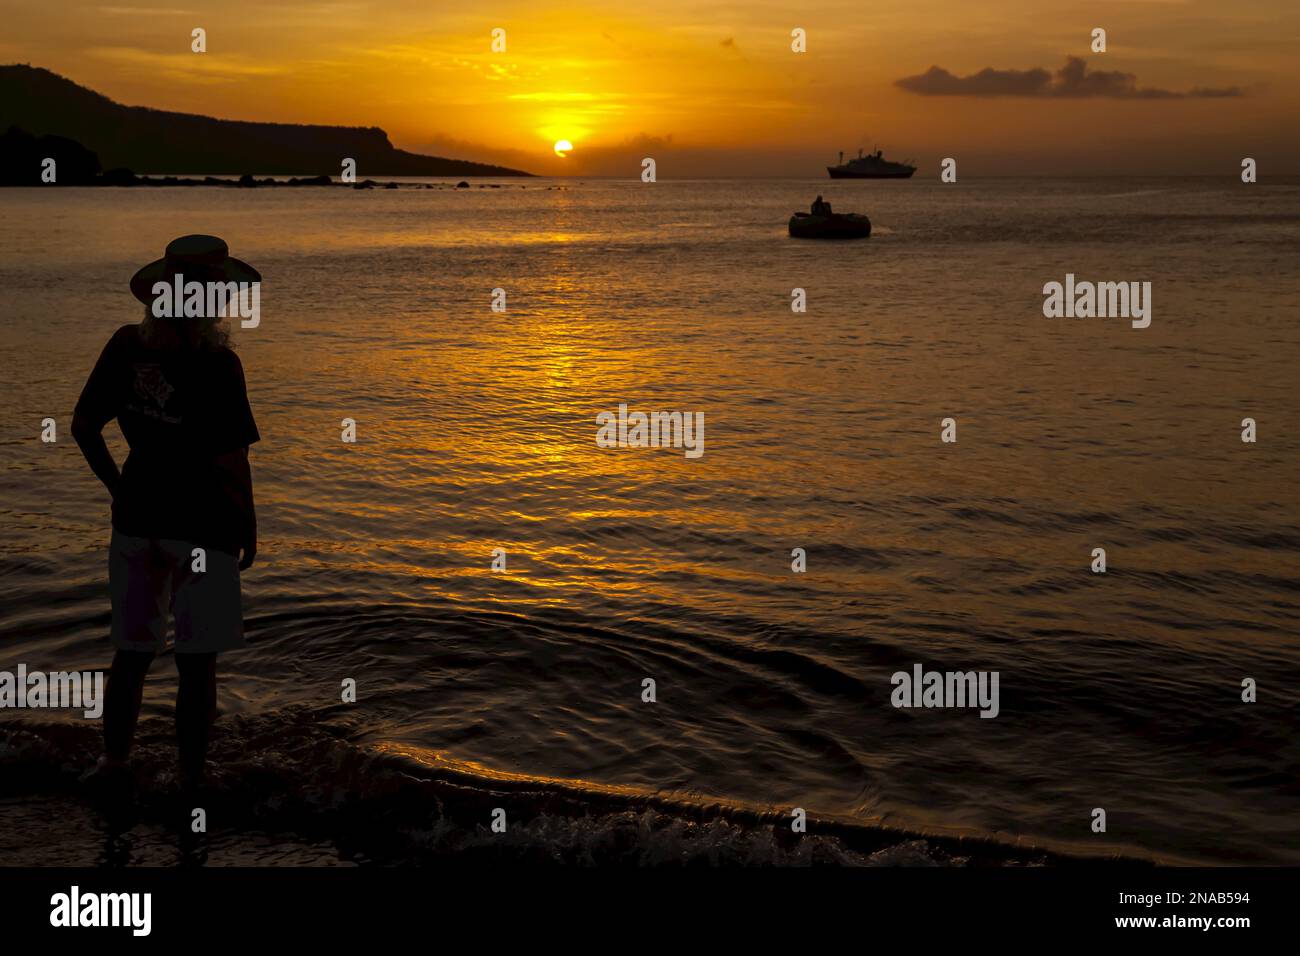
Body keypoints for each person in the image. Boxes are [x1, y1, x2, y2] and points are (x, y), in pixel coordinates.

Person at [72, 234, 261, 792]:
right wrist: (247, 526)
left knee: (130, 654)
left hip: (136, 520)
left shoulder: (126, 344)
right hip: (203, 527)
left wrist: (116, 487)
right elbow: (231, 460)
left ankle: (113, 764)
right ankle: (191, 780)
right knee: (197, 664)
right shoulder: (219, 364)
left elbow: (85, 427)